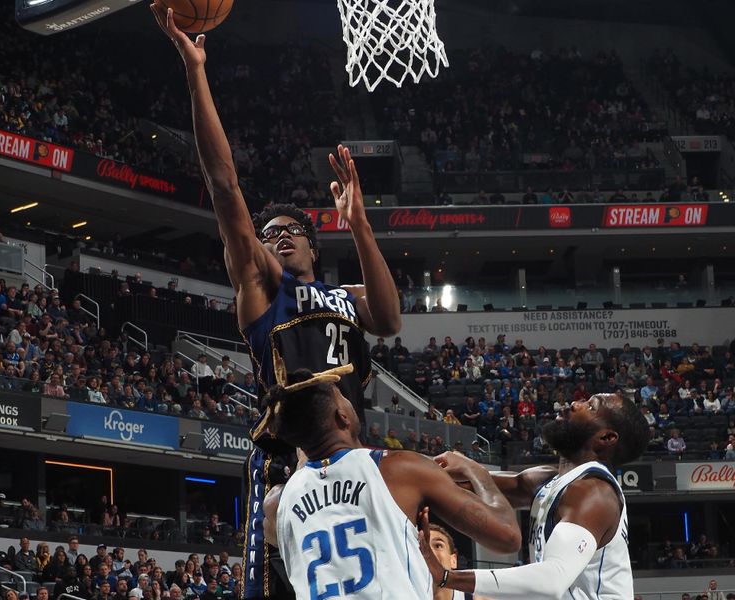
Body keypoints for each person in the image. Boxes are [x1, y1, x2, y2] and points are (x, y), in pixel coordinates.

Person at [152, 7, 400, 599]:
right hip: (288, 456)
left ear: (313, 243)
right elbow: (223, 183)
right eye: (270, 234)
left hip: (354, 453)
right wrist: (196, 71)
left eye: (292, 229)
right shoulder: (264, 287)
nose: (280, 235)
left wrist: (360, 223)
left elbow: (389, 320)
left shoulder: (346, 296)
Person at [260, 364, 520, 598]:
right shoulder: (398, 468)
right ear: (343, 417)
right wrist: (476, 470)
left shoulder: (276, 503)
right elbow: (507, 537)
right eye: (343, 398)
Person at [418, 393, 650, 599]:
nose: (574, 404)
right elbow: (478, 483)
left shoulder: (593, 492)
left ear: (606, 437)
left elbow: (552, 580)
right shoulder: (549, 481)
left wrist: (448, 577)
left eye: (591, 406)